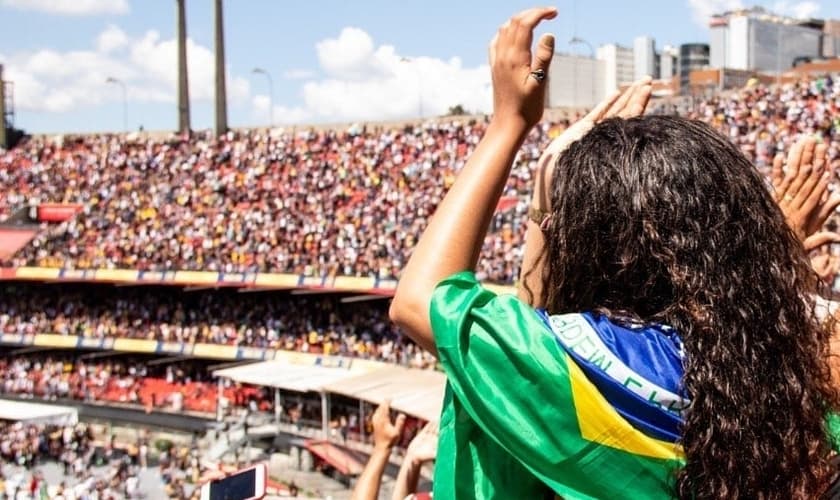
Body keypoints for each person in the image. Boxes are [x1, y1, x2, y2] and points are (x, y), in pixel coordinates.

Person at [389, 6, 840, 499]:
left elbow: (421, 301)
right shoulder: (795, 368)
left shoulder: (598, 370)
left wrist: (508, 124)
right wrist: (769, 261)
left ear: (598, 249)